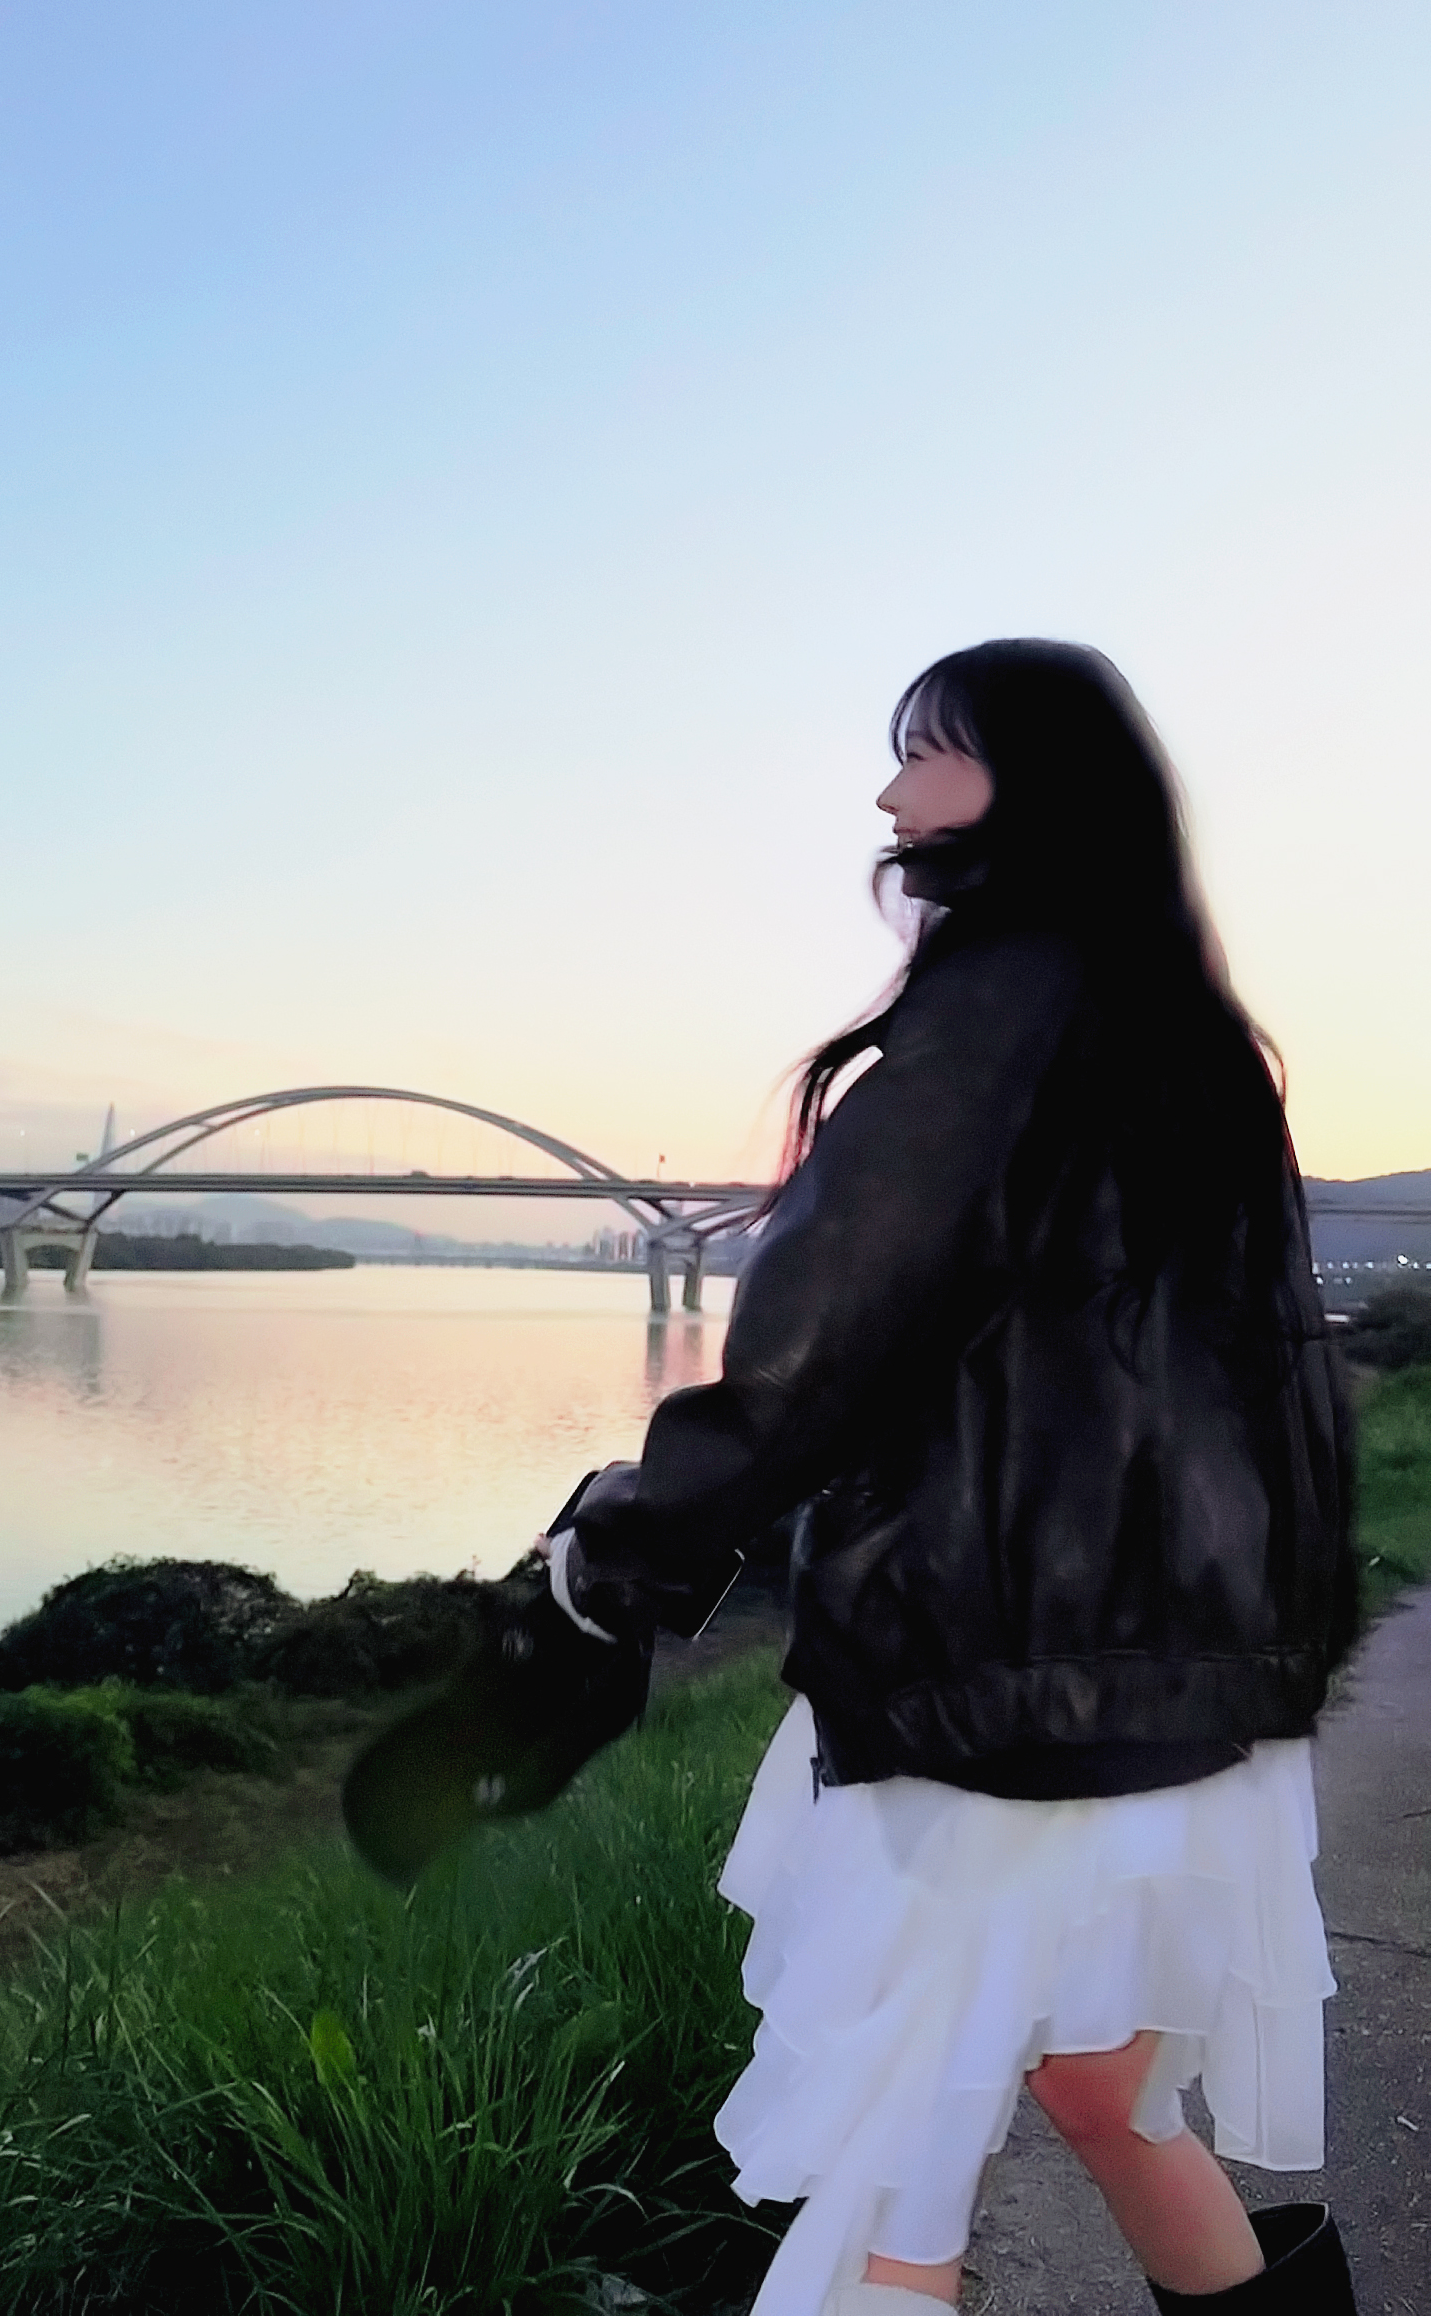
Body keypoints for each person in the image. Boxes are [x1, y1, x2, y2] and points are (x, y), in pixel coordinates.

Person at [550, 640, 1360, 2316]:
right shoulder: (1195, 1039)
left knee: (895, 2153)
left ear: (1030, 778)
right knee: (1105, 2094)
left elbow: (828, 1337)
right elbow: (1275, 1382)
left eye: (925, 749)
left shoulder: (998, 1005)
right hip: (1184, 1687)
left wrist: (628, 1548)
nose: (889, 789)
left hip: (996, 1690)